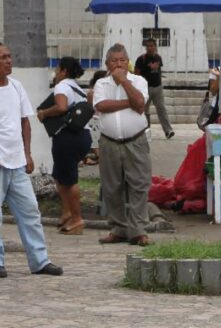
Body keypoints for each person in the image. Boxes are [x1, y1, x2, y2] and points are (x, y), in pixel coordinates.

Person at [0, 41, 63, 278]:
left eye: (9, 56)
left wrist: (27, 153)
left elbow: (25, 121)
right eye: (2, 57)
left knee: (31, 212)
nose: (8, 61)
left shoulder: (16, 86)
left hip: (16, 163)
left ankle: (40, 260)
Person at [94, 43, 153, 247]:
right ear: (107, 64)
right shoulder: (102, 83)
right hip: (109, 142)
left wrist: (124, 82)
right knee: (112, 187)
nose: (118, 64)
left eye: (122, 60)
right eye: (114, 61)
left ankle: (138, 230)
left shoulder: (139, 81)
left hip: (135, 140)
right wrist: (130, 102)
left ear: (128, 62)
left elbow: (141, 104)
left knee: (139, 184)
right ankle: (118, 228)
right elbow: (101, 106)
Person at [36, 57, 92, 235]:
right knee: (60, 176)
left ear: (64, 71)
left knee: (69, 178)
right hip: (82, 135)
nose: (55, 73)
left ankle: (77, 219)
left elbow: (61, 107)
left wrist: (44, 113)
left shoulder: (62, 86)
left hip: (68, 136)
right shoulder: (77, 88)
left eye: (57, 69)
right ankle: (67, 212)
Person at [135, 39, 174, 139]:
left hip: (157, 88)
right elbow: (136, 73)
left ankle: (168, 130)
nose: (150, 48)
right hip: (146, 88)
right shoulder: (141, 59)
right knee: (145, 110)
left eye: (152, 46)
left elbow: (158, 70)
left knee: (161, 109)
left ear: (155, 47)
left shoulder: (158, 58)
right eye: (148, 46)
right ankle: (145, 131)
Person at [84, 70, 109, 166]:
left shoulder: (104, 90)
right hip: (95, 119)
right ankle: (99, 156)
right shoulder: (92, 92)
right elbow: (92, 108)